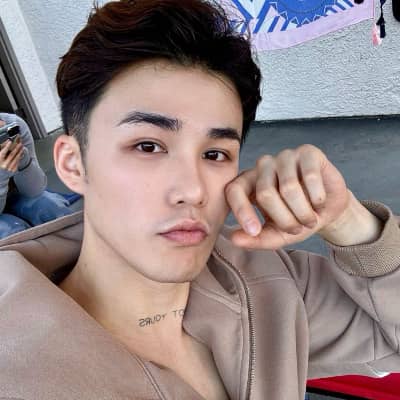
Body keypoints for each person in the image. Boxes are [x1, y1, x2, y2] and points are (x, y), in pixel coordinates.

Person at [0, 1, 400, 399]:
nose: (193, 190)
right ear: (73, 164)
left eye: (214, 154)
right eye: (148, 146)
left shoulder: (267, 283)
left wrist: (347, 220)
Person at [0, 113, 73, 239]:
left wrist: (23, 159)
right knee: (12, 232)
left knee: (52, 209)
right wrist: (2, 175)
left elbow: (35, 190)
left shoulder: (13, 124)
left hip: (15, 195)